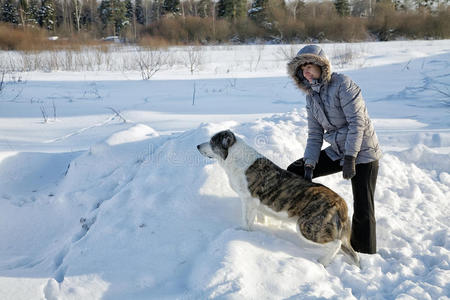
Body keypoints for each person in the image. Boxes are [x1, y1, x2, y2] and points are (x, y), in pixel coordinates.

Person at [286, 45, 382, 254]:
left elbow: (358, 124)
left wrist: (350, 157)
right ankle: (309, 218)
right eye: (302, 69)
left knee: (363, 206)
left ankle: (365, 252)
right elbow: (315, 134)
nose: (306, 72)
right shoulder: (311, 97)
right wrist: (310, 164)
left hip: (363, 151)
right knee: (294, 171)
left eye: (309, 66)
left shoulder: (343, 85)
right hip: (338, 150)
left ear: (322, 65)